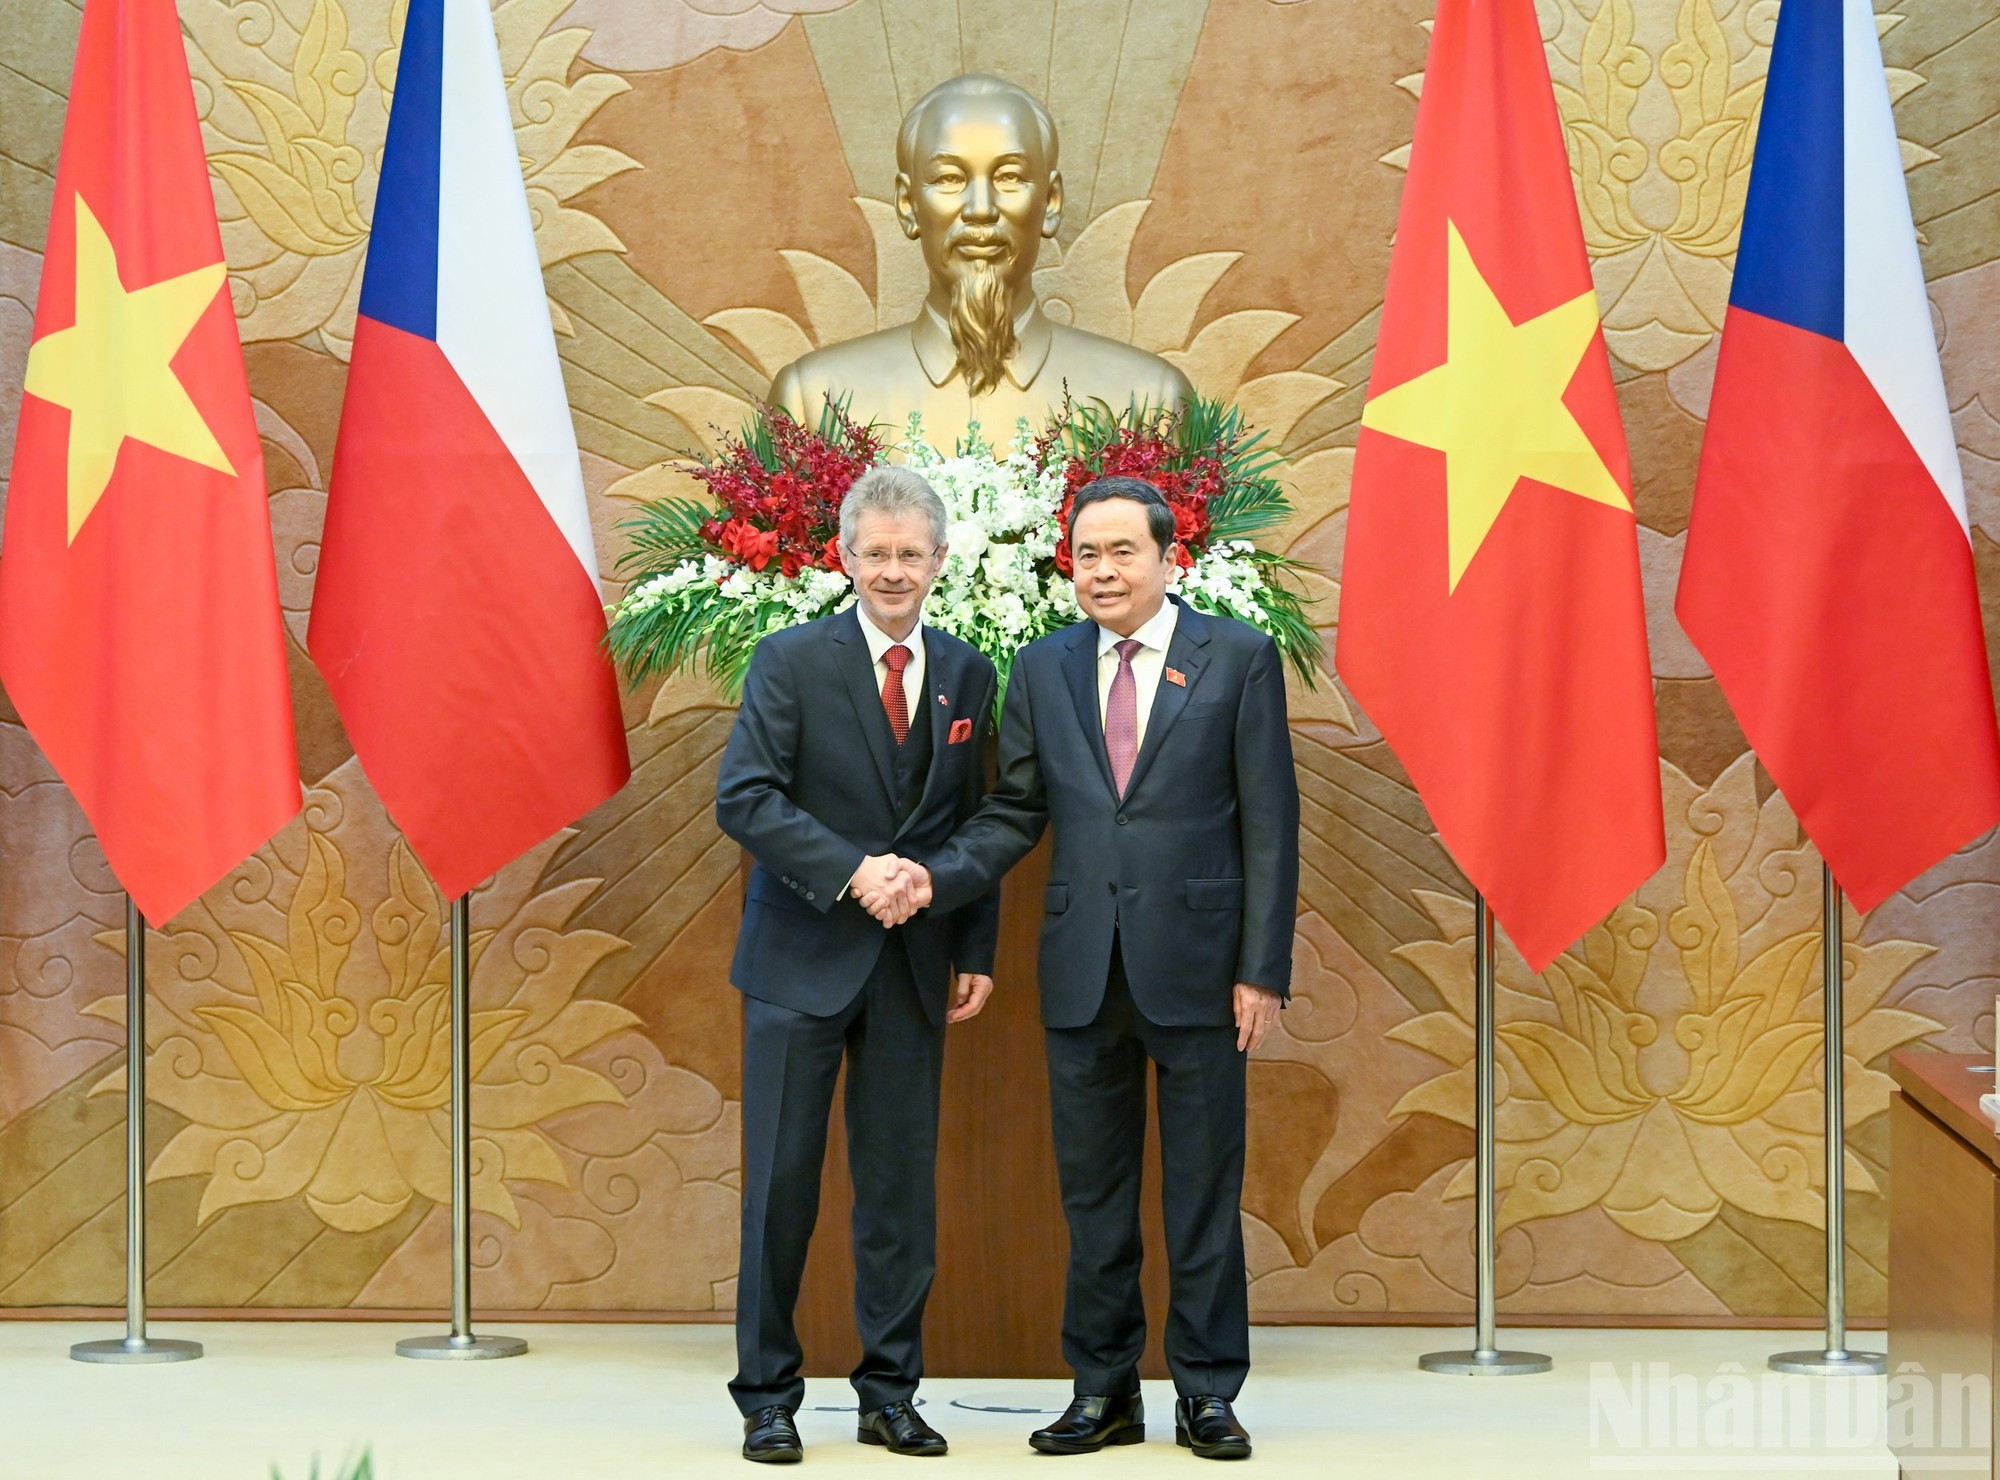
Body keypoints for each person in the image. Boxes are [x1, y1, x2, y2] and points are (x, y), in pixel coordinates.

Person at [884, 475, 1299, 1461]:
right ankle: (1103, 1389)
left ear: (1167, 559)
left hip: (1202, 970)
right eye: (1086, 555)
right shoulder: (1041, 667)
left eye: (1122, 552)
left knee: (1201, 1190)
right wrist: (935, 883)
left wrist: (1262, 969)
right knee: (1093, 1196)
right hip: (1080, 968)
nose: (1103, 571)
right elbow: (1014, 811)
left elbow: (1269, 825)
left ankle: (1205, 1392)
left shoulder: (1235, 658)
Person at [714, 465, 999, 1464]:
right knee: (781, 1190)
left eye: (908, 553)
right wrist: (853, 871)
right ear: (842, 555)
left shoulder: (967, 671)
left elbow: (975, 816)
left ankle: (889, 1391)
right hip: (799, 964)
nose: (891, 570)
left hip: (915, 967)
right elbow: (744, 800)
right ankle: (766, 1396)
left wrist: (973, 945)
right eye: (874, 552)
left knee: (896, 1195)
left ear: (939, 561)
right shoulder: (788, 660)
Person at [769, 73, 1190, 452]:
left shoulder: (1151, 403)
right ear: (907, 205)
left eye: (1009, 177)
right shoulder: (813, 403)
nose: (981, 209)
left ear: (1051, 202)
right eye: (949, 179)